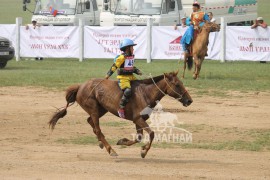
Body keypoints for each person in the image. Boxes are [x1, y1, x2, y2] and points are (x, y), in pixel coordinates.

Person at [105, 39, 142, 119]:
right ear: (127, 48)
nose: (133, 49)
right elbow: (114, 66)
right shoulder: (121, 57)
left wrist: (137, 70)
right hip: (123, 78)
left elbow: (130, 66)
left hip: (131, 76)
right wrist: (108, 74)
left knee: (140, 86)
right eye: (132, 47)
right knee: (128, 91)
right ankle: (121, 108)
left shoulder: (131, 56)